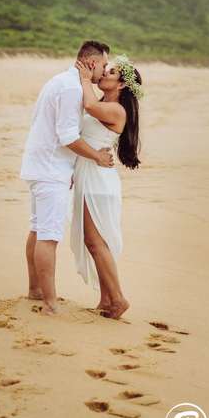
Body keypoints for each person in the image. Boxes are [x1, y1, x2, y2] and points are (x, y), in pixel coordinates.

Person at [20, 40, 115, 316]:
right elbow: (67, 136)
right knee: (48, 236)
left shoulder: (61, 81)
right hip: (50, 169)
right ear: (92, 63)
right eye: (104, 65)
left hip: (42, 165)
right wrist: (96, 156)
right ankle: (50, 302)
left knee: (38, 229)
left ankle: (35, 290)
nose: (104, 71)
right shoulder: (72, 87)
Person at [69, 53, 143, 320]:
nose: (104, 74)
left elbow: (88, 106)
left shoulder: (116, 110)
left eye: (110, 73)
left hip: (98, 180)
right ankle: (106, 299)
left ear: (121, 85)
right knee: (94, 242)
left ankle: (119, 298)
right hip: (91, 174)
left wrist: (85, 78)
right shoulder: (105, 102)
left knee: (95, 241)